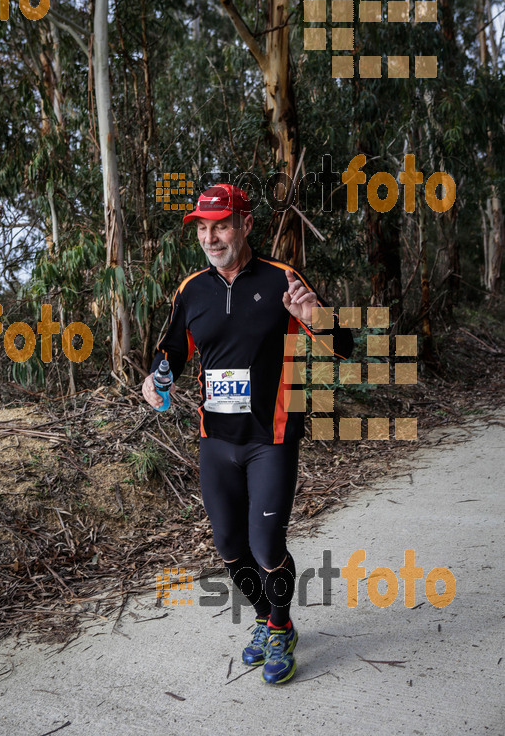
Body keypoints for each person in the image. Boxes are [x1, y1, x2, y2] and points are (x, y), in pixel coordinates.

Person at [142, 183, 353, 684]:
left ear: (246, 225)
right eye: (203, 228)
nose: (211, 237)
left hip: (270, 439)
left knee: (266, 547)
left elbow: (344, 344)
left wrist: (313, 318)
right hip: (215, 440)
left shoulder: (283, 280)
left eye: (222, 225)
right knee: (230, 546)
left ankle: (281, 628)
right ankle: (264, 617)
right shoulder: (192, 290)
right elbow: (171, 348)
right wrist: (157, 375)